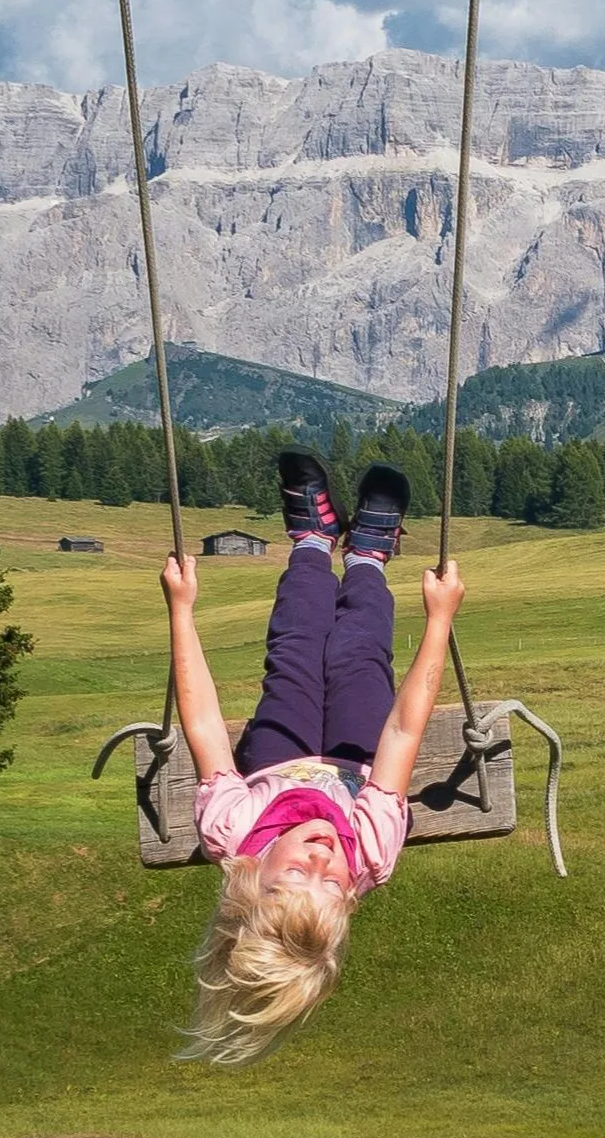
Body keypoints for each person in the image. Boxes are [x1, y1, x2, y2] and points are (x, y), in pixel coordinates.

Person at [160, 449, 463, 1065]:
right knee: (358, 654)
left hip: (277, 756)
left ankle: (312, 541)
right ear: (350, 899)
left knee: (296, 645)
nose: (322, 860)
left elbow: (204, 725)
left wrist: (181, 610)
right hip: (357, 766)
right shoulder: (370, 850)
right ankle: (369, 558)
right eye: (331, 884)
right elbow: (403, 732)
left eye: (295, 874)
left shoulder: (233, 831)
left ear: (250, 880)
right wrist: (438, 622)